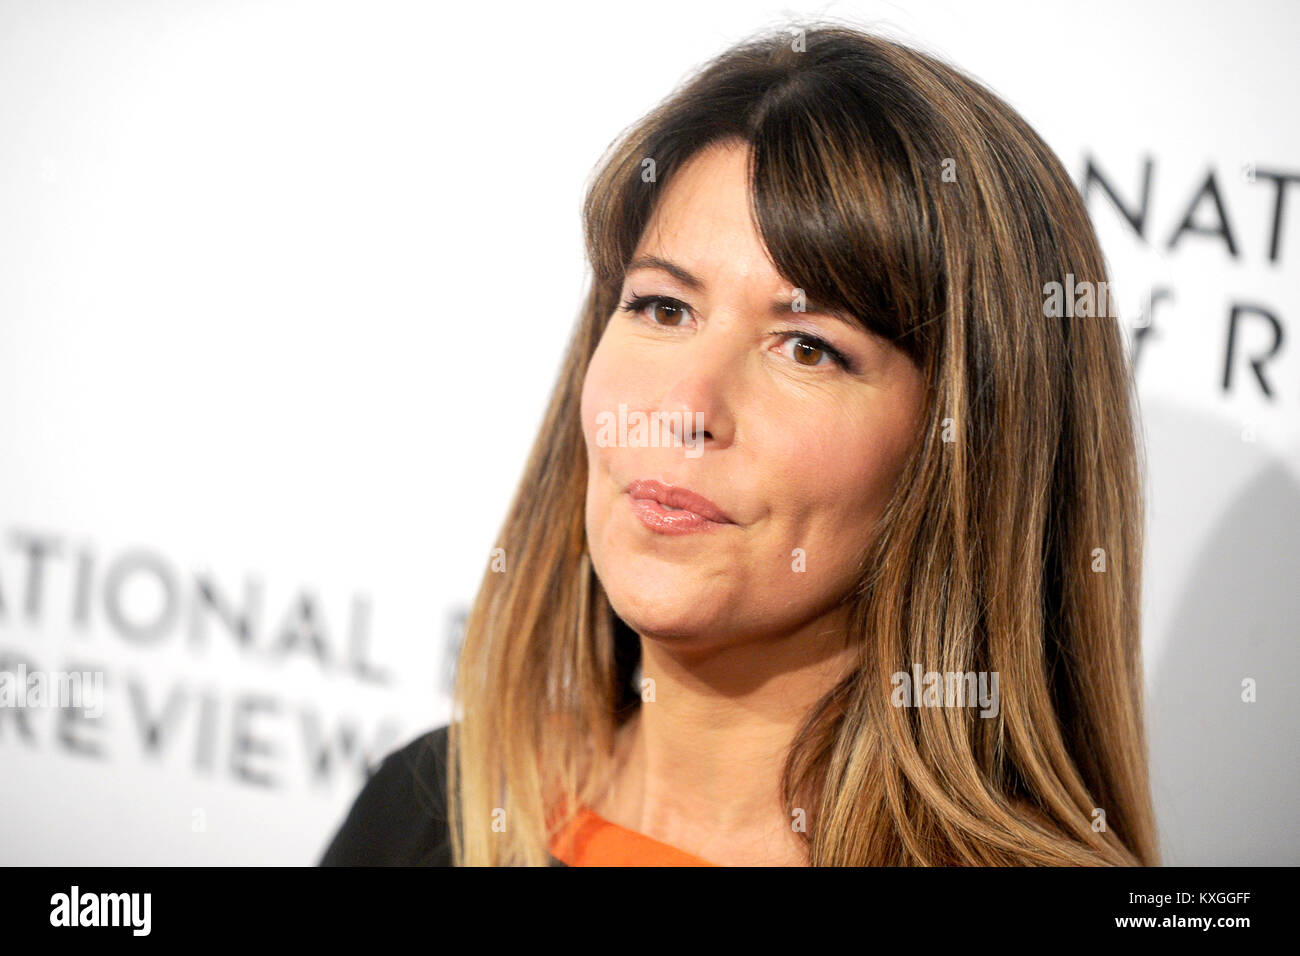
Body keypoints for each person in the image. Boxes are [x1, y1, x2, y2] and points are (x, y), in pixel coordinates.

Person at [320, 20, 1160, 867]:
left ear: (963, 450)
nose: (685, 407)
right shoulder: (429, 805)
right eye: (662, 307)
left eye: (808, 347)